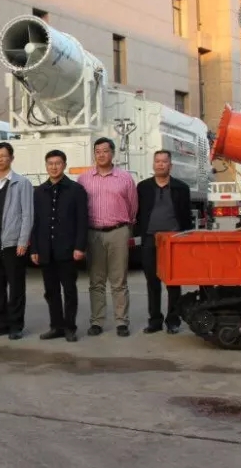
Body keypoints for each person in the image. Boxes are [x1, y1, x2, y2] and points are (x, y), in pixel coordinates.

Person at [77, 137, 138, 337]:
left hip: (118, 232)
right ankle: (97, 321)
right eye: (98, 151)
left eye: (105, 151)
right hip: (93, 233)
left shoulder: (125, 178)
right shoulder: (84, 179)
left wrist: (126, 228)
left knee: (119, 280)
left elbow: (133, 207)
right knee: (96, 281)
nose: (101, 155)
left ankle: (122, 321)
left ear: (112, 153)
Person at [29, 150, 88, 343]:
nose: (54, 167)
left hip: (68, 250)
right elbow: (35, 222)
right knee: (51, 291)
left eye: (58, 163)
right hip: (46, 250)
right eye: (50, 163)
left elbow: (82, 221)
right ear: (46, 166)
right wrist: (34, 249)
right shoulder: (39, 191)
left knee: (69, 290)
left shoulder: (76, 190)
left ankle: (70, 327)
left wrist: (80, 247)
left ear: (64, 165)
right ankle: (56, 326)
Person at [134, 149, 192, 334]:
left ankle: (173, 320)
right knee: (152, 281)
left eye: (164, 161)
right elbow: (138, 213)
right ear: (153, 164)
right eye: (157, 161)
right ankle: (155, 321)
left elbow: (186, 217)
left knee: (173, 282)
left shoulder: (181, 188)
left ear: (170, 165)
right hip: (150, 239)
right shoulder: (143, 187)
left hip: (173, 241)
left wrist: (186, 239)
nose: (160, 164)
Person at [0, 142, 34, 341]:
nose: (0, 159)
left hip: (13, 243)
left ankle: (16, 325)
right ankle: (1, 323)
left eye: (4, 156)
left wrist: (23, 241)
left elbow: (27, 214)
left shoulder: (22, 183)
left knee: (16, 286)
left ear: (11, 158)